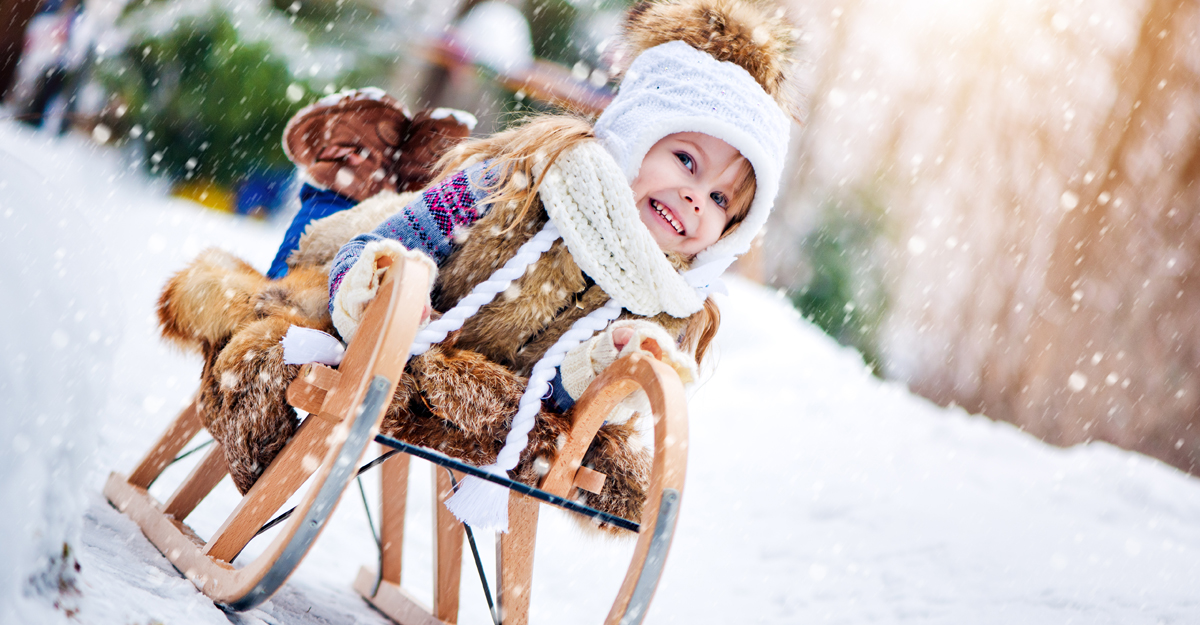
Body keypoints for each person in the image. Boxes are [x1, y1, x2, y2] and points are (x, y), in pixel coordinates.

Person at [317, 0, 798, 530]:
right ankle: (336, 184)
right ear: (637, 133)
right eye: (685, 160)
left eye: (722, 201)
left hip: (501, 409)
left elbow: (556, 402)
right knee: (337, 239)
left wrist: (602, 365)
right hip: (410, 328)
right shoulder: (524, 183)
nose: (695, 199)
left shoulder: (667, 304)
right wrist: (385, 288)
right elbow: (403, 236)